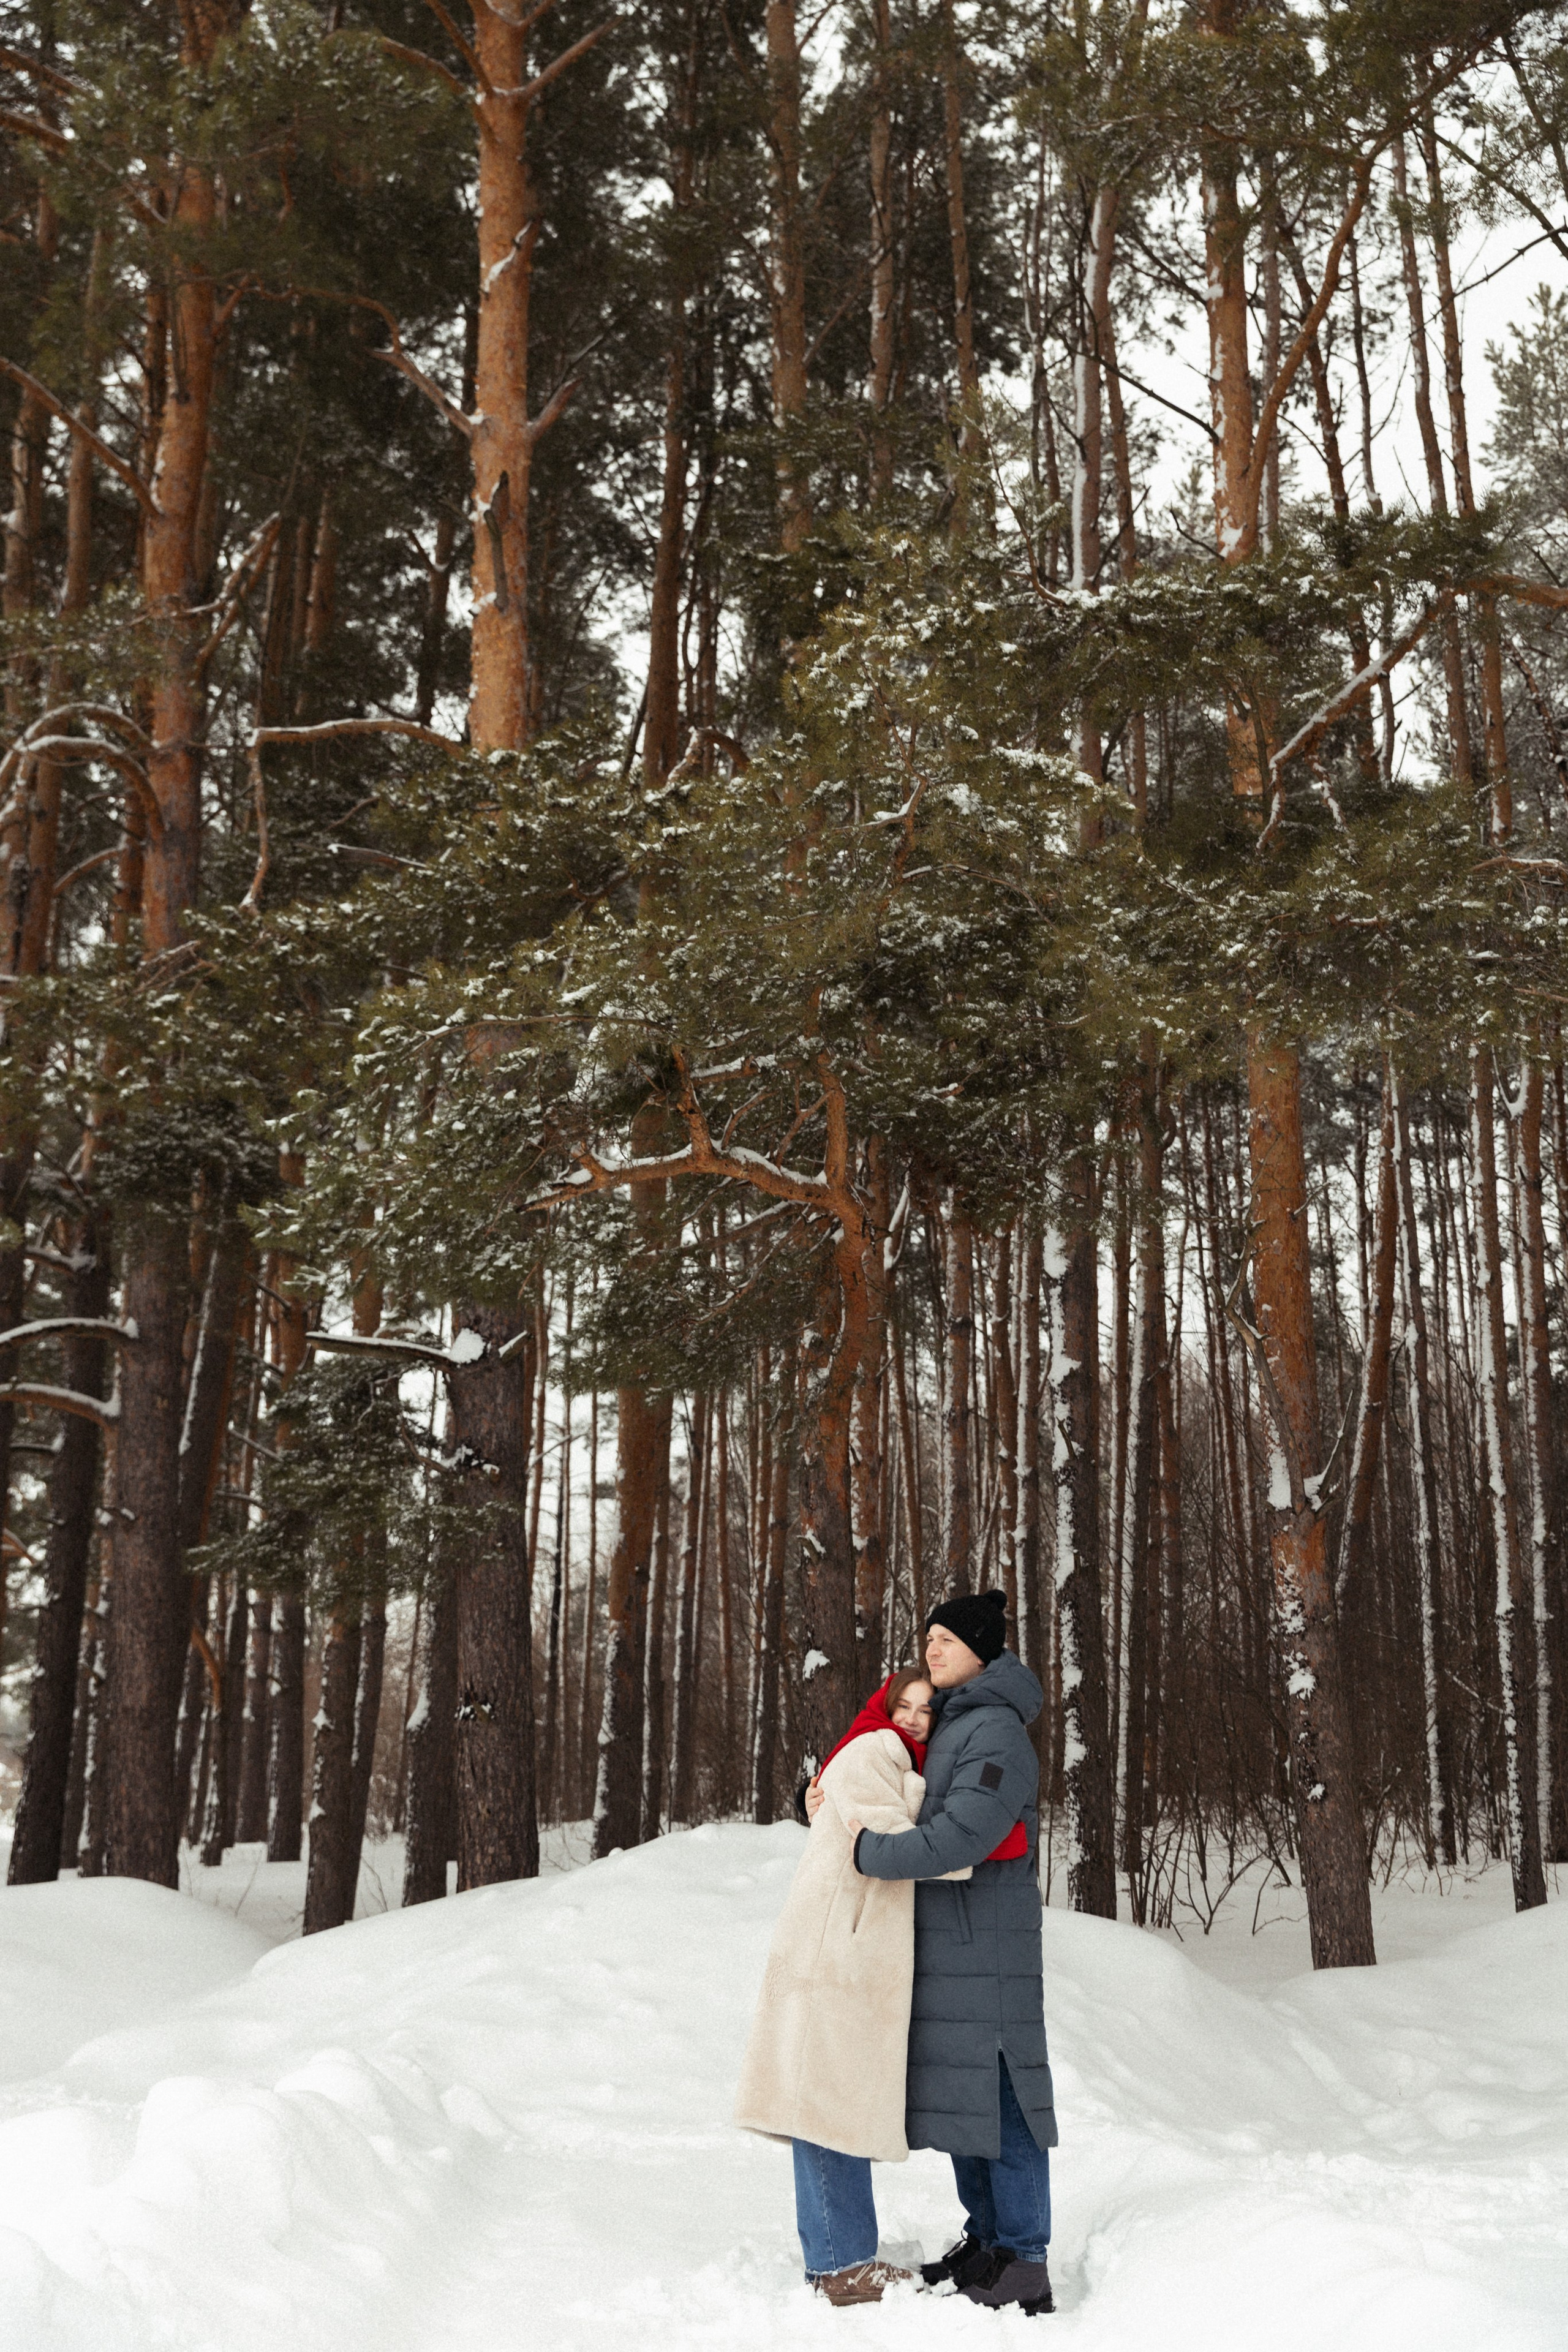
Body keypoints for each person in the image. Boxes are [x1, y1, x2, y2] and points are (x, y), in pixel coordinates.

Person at [850, 1588, 1056, 2316]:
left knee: (1004, 2099)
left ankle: (1025, 2259)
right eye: (927, 1638)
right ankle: (989, 2240)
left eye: (945, 1639)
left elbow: (966, 1833)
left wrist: (865, 1853)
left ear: (982, 1651)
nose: (930, 1650)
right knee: (969, 2102)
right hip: (950, 1942)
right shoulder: (951, 1724)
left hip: (988, 1943)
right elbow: (900, 1793)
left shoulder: (994, 1730)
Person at [734, 1668, 959, 2306]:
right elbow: (894, 1839)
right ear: (882, 1707)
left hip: (842, 1951)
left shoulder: (883, 1757)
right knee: (827, 2104)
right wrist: (971, 1828)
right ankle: (841, 2266)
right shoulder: (869, 1750)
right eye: (905, 1706)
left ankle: (835, 2258)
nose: (915, 1719)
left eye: (926, 1710)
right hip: (835, 1956)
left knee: (825, 2101)